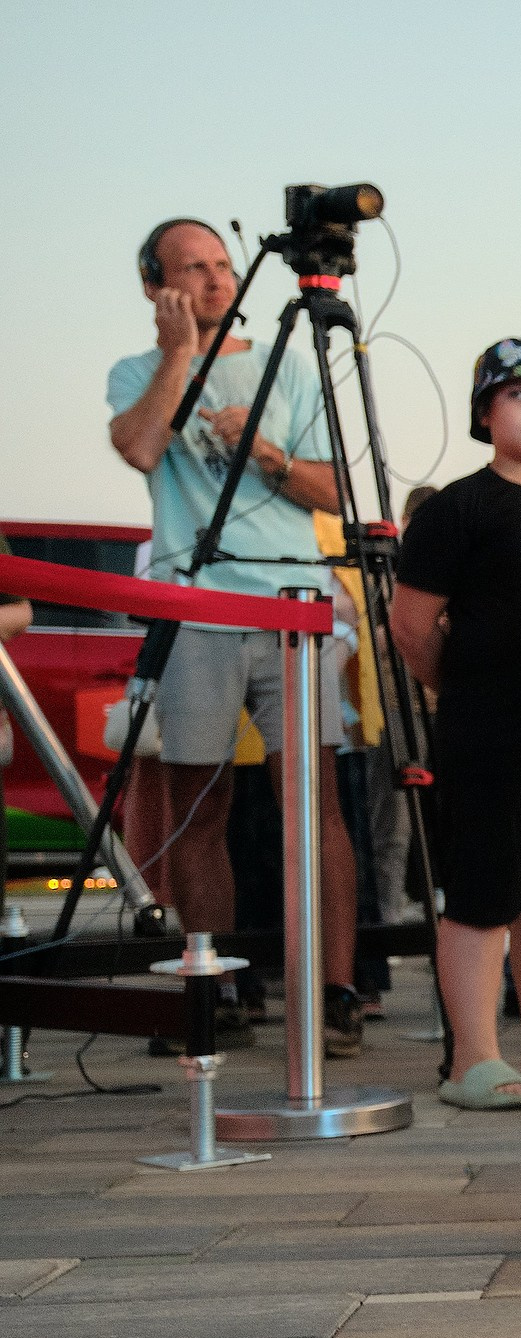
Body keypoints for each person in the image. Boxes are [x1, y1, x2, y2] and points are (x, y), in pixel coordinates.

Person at [106, 217, 365, 1056]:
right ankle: (211, 981)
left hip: (290, 599)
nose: (217, 281)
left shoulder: (288, 362)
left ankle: (333, 991)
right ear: (155, 286)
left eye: (223, 265)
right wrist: (180, 356)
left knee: (311, 804)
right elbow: (142, 447)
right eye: (193, 269)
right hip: (195, 601)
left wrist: (265, 455)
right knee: (197, 804)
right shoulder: (136, 372)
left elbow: (337, 493)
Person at [392, 337, 521, 1109]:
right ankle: (471, 1056)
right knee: (480, 891)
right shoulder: (457, 508)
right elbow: (411, 626)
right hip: (484, 730)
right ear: (484, 412)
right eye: (515, 394)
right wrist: (463, 688)